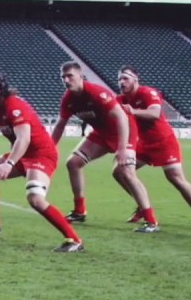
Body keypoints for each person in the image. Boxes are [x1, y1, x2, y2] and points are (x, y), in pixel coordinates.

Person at [0, 72, 83, 252]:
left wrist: (9, 164)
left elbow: (24, 139)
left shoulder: (13, 106)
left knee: (35, 199)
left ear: (1, 88)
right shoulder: (0, 108)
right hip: (24, 155)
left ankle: (74, 240)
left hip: (41, 155)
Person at [50, 62, 158, 233]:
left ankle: (151, 222)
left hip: (124, 130)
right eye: (63, 77)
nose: (66, 80)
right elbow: (59, 126)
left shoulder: (96, 93)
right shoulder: (68, 99)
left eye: (70, 76)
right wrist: (49, 149)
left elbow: (122, 118)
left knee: (126, 172)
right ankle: (79, 211)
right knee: (73, 163)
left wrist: (122, 149)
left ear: (80, 76)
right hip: (101, 133)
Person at [116, 66, 191, 229]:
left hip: (163, 141)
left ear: (135, 79)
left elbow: (154, 113)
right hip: (144, 144)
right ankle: (142, 206)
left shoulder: (147, 92)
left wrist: (133, 111)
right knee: (119, 171)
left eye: (125, 78)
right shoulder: (121, 99)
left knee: (175, 178)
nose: (121, 82)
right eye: (119, 79)